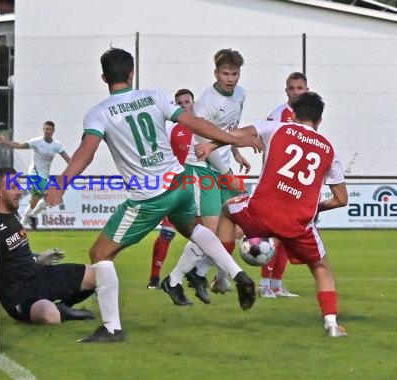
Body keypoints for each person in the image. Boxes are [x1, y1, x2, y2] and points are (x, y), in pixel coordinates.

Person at [46, 48, 262, 343]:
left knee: (100, 253)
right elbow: (193, 122)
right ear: (132, 73)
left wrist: (61, 182)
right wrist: (234, 138)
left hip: (150, 196)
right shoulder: (155, 96)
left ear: (104, 77)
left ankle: (111, 328)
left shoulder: (99, 113)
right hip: (181, 182)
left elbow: (86, 153)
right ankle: (239, 275)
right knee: (194, 228)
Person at [211, 92, 349, 337]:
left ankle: (222, 275)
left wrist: (210, 145)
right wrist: (315, 207)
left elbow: (237, 135)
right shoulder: (329, 150)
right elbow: (341, 200)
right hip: (297, 222)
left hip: (261, 211)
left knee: (227, 210)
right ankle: (331, 324)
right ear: (319, 120)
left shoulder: (278, 129)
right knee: (321, 268)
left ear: (294, 114)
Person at [168, 48, 251, 302]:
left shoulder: (240, 94)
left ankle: (195, 273)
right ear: (216, 73)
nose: (230, 78)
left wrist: (235, 153)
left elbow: (229, 130)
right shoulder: (207, 102)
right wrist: (228, 175)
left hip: (223, 166)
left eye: (234, 74)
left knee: (235, 227)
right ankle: (179, 279)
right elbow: (204, 143)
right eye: (225, 73)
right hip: (202, 168)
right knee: (210, 231)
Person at [0, 167, 97, 324]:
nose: (20, 192)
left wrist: (39, 258)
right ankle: (60, 311)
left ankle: (63, 306)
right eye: (14, 187)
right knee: (51, 316)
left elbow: (17, 257)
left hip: (38, 276)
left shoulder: (12, 214)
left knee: (99, 274)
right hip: (18, 295)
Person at [259, 72, 309, 298]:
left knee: (288, 236)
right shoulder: (278, 115)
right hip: (276, 183)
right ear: (286, 91)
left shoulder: (308, 115)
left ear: (306, 89)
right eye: (292, 88)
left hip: (296, 184)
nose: (296, 92)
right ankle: (264, 284)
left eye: (300, 88)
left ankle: (277, 284)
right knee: (273, 235)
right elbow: (266, 143)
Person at [147, 88, 194, 290]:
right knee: (167, 233)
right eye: (179, 103)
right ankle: (154, 279)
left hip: (202, 188)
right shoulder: (170, 131)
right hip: (178, 188)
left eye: (187, 102)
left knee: (208, 234)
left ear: (193, 103)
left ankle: (194, 274)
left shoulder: (203, 128)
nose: (183, 105)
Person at [0, 121, 70, 230]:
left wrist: (77, 166)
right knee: (50, 195)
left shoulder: (56, 145)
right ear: (43, 129)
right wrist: (4, 141)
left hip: (44, 176)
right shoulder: (37, 142)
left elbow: (68, 159)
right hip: (34, 174)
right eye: (45, 129)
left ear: (53, 131)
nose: (47, 131)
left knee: (34, 203)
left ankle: (23, 223)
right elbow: (19, 145)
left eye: (49, 129)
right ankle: (32, 217)